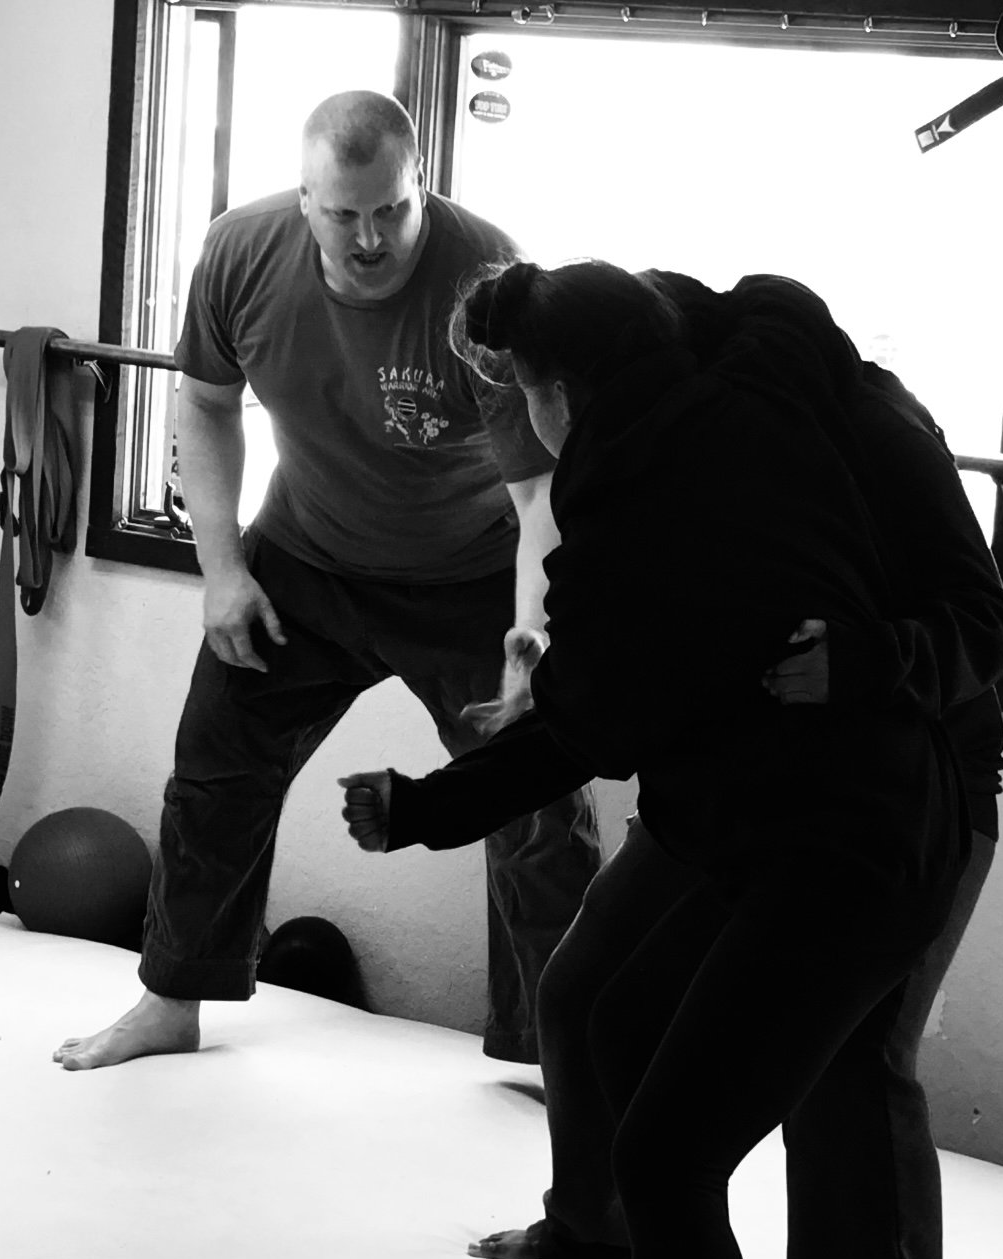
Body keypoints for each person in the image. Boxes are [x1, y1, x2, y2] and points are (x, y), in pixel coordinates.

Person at [340, 258, 990, 1259]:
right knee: (609, 1004)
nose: (519, 421)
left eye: (520, 389)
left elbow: (978, 621)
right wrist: (568, 682)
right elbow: (624, 683)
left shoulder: (829, 428)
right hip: (741, 798)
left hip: (894, 785)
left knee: (813, 1080)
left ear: (571, 382)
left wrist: (422, 804)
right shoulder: (688, 423)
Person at [50, 91, 600, 1072]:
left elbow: (538, 491)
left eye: (391, 209)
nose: (369, 238)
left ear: (420, 183)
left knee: (538, 802)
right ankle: (171, 998)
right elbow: (205, 406)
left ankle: (563, 1051)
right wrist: (222, 571)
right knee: (216, 767)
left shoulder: (487, 284)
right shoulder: (240, 253)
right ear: (304, 197)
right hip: (306, 559)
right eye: (343, 214)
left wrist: (532, 642)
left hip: (470, 575)